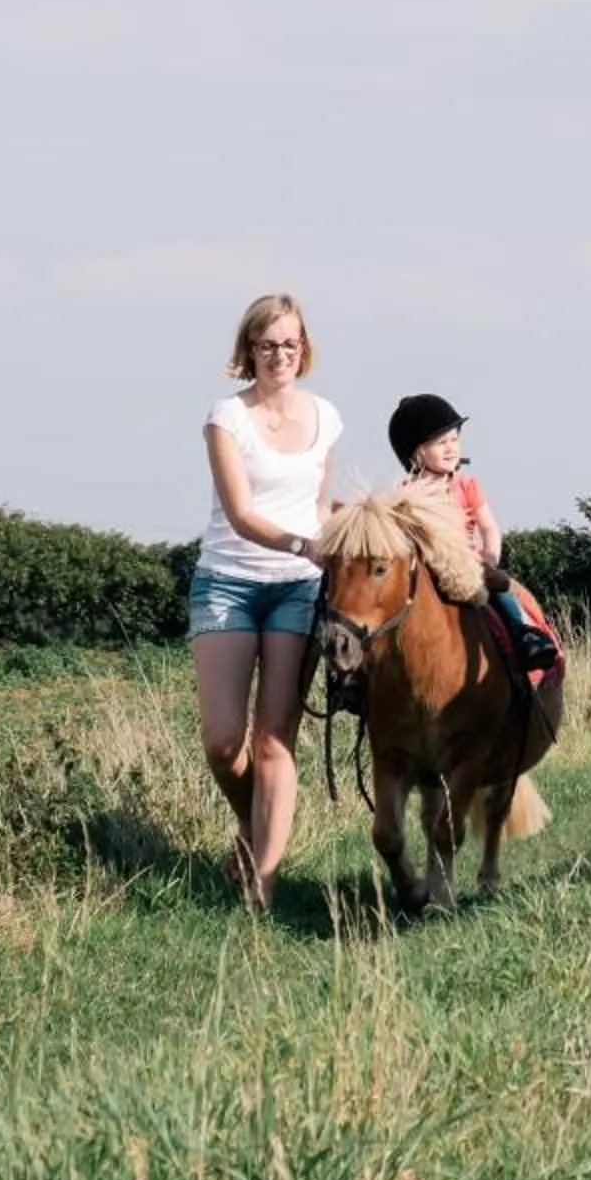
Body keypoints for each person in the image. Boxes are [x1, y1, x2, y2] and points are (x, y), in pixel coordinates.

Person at [191, 291, 343, 912]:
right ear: (247, 351)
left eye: (289, 343)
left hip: (298, 589)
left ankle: (264, 884)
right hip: (228, 580)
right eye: (266, 344)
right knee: (224, 743)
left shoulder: (327, 418)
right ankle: (253, 830)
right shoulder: (226, 417)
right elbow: (242, 512)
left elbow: (320, 504)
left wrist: (337, 544)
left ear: (303, 348)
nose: (278, 354)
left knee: (276, 740)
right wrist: (304, 543)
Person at [390, 392, 562, 674]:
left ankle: (524, 633)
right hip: (422, 567)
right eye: (440, 443)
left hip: (464, 563)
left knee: (501, 586)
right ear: (417, 452)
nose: (450, 448)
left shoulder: (466, 485)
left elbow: (488, 526)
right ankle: (363, 673)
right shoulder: (404, 493)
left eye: (454, 439)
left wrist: (490, 557)